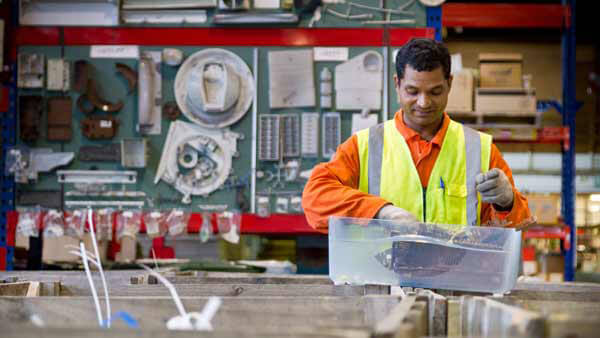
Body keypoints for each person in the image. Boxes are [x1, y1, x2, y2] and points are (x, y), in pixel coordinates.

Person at [302, 38, 531, 232]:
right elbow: (315, 198)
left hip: (456, 280)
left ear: (449, 84)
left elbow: (511, 230)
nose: (424, 102)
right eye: (412, 91)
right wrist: (381, 211)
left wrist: (506, 201)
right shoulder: (364, 146)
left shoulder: (479, 149)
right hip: (382, 281)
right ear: (397, 84)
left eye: (435, 91)